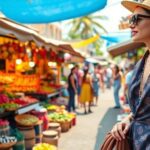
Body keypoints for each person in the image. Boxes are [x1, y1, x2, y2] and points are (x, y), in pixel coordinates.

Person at [111, 0, 150, 149]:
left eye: (136, 19)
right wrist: (129, 119)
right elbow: (142, 109)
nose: (131, 24)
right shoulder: (142, 61)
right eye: (130, 19)